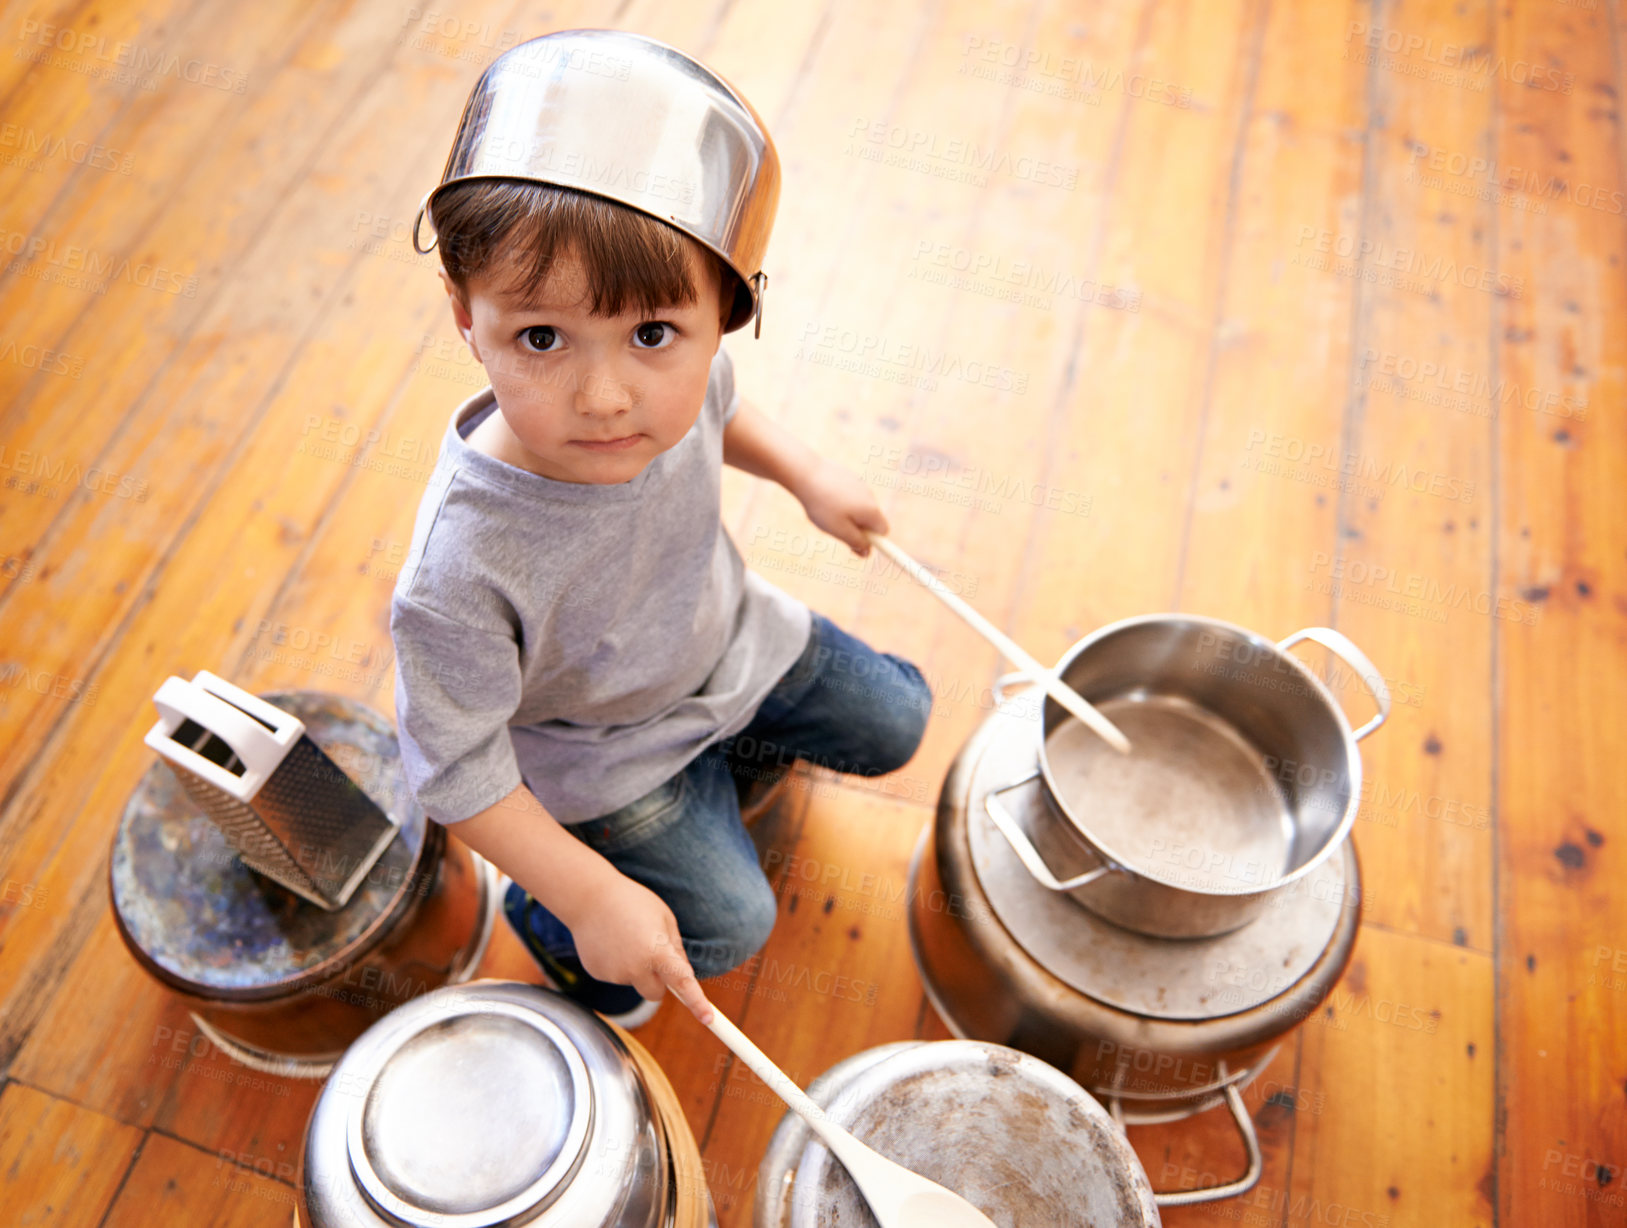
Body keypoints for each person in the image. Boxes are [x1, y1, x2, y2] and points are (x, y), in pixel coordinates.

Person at [389, 30, 933, 1029]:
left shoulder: (684, 380)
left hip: (727, 639)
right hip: (606, 749)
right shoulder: (457, 571)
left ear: (722, 313)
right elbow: (453, 767)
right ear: (465, 315)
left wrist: (809, 475)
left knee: (899, 718)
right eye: (540, 337)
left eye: (651, 334)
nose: (605, 396)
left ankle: (728, 768)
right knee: (727, 925)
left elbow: (720, 403)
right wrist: (591, 897)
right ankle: (558, 929)